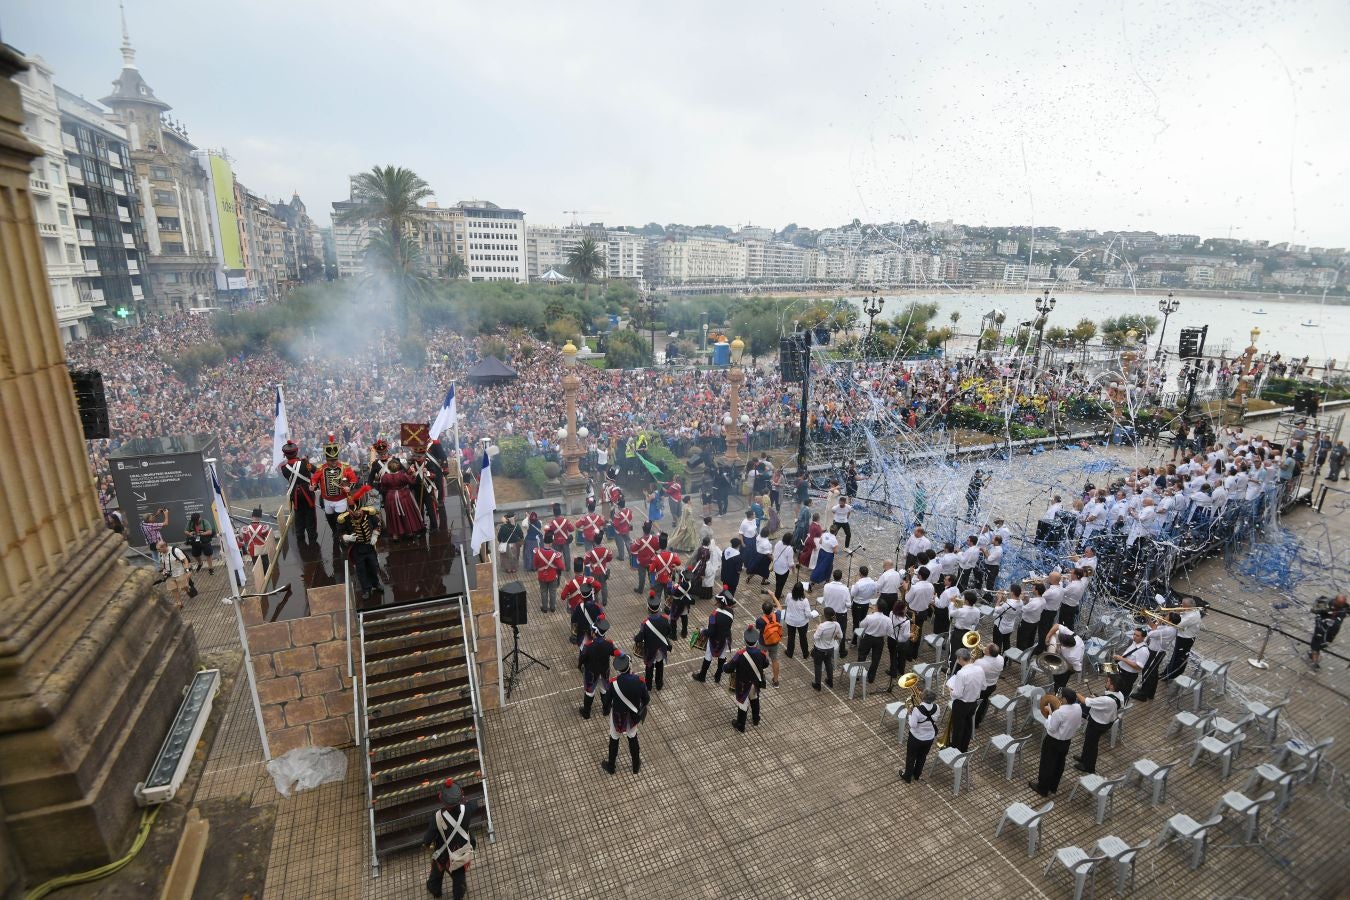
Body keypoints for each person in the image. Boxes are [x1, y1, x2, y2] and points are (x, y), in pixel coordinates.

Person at [423, 779, 477, 900]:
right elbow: (474, 803)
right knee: (459, 879)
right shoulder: (468, 809)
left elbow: (427, 840)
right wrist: (462, 797)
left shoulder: (437, 818)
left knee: (436, 874)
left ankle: (435, 891)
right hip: (460, 852)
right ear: (461, 795)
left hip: (443, 855)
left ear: (441, 799)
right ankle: (458, 896)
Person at [601, 653, 649, 774]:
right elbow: (646, 699)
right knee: (632, 737)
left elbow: (606, 701)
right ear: (629, 666)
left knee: (614, 738)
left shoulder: (613, 683)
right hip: (632, 716)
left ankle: (611, 766)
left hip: (617, 717)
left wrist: (607, 708)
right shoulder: (639, 681)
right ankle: (635, 766)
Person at [1030, 688, 1083, 797]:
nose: (1059, 698)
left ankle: (1042, 788)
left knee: (1047, 764)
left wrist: (1050, 713)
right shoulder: (1078, 708)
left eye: (1061, 696)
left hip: (1053, 741)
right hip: (1066, 741)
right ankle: (1053, 787)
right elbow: (1078, 725)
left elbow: (1051, 728)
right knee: (1059, 764)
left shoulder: (1059, 712)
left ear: (1065, 699)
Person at [1074, 676, 1124, 775]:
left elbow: (1085, 701)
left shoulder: (1106, 700)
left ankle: (1089, 767)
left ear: (1112, 687)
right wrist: (1097, 698)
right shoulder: (1120, 695)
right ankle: (1084, 758)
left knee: (1092, 745)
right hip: (1105, 721)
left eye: (1108, 681)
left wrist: (1075, 693)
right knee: (1088, 741)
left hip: (1097, 723)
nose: (1106, 682)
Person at [316, 434, 359, 539]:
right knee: (329, 517)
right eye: (331, 460)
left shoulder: (345, 467)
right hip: (327, 499)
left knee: (340, 518)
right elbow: (314, 479)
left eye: (335, 460)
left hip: (341, 498)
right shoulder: (321, 468)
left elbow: (354, 479)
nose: (333, 462)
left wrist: (349, 487)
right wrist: (313, 485)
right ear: (327, 459)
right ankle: (335, 531)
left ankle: (341, 533)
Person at [729, 627, 770, 732]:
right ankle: (756, 719)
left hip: (743, 683)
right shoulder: (761, 653)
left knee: (743, 703)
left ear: (745, 640)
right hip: (755, 683)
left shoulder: (740, 654)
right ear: (756, 641)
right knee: (755, 698)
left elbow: (728, 668)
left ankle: (741, 725)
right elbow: (766, 664)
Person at [277, 440, 318, 544]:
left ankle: (300, 537)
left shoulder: (283, 468)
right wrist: (307, 462)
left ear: (285, 454)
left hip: (294, 494)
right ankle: (312, 538)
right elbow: (316, 471)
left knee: (299, 517)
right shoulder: (304, 463)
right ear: (296, 452)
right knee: (310, 517)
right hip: (307, 493)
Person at [338, 503, 382, 600]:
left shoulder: (369, 513)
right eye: (354, 510)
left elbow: (377, 524)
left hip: (369, 546)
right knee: (361, 569)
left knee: (373, 565)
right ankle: (366, 589)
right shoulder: (344, 519)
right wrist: (347, 537)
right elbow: (340, 532)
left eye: (358, 510)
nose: (357, 513)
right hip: (357, 548)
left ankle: (376, 583)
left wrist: (375, 535)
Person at [578, 619, 620, 719]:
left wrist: (580, 666)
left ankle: (586, 713)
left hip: (591, 673)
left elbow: (582, 658)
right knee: (604, 690)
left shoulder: (588, 645)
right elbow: (616, 653)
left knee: (589, 692)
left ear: (595, 633)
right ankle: (606, 710)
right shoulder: (609, 643)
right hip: (604, 672)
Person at [944, 648, 984, 753]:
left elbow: (957, 694)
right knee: (967, 726)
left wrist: (950, 689)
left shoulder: (962, 673)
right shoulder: (979, 669)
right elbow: (984, 686)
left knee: (958, 728)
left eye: (957, 659)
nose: (957, 661)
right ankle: (964, 748)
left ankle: (955, 750)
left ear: (961, 659)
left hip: (961, 704)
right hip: (973, 703)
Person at [692, 592, 736, 684]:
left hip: (714, 640)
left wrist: (702, 631)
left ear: (719, 602)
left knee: (708, 656)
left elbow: (711, 632)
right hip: (725, 638)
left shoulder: (713, 615)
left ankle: (702, 676)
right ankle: (718, 676)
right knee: (722, 656)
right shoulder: (731, 612)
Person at [899, 689, 939, 783]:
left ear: (923, 697)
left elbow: (912, 725)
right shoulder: (937, 707)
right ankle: (917, 775)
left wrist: (910, 713)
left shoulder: (917, 710)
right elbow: (935, 719)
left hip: (916, 737)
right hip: (929, 738)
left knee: (911, 757)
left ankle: (907, 776)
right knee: (922, 757)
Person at [1133, 614, 1176, 701]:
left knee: (1147, 671)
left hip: (1155, 652)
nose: (1164, 616)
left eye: (1167, 616)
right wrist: (1147, 617)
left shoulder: (1168, 630)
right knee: (1153, 672)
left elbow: (1150, 633)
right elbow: (1153, 627)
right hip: (1156, 652)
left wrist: (1159, 622)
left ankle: (1143, 694)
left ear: (1170, 620)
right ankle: (1150, 693)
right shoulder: (1168, 627)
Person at [634, 594, 672, 690]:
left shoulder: (645, 623)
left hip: (650, 650)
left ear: (648, 608)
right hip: (661, 648)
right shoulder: (665, 619)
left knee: (649, 668)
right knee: (660, 666)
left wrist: (635, 638)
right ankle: (659, 684)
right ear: (659, 607)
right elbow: (669, 632)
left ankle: (648, 686)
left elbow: (639, 638)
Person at [1162, 598, 1202, 680]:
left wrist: (1176, 613)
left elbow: (1177, 624)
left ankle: (1171, 676)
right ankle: (1167, 672)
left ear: (1187, 606)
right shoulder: (1191, 610)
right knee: (1175, 656)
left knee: (1178, 658)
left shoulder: (1191, 616)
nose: (1181, 606)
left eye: (1182, 605)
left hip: (1185, 639)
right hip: (1184, 637)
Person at [856, 601, 892, 685]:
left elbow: (861, 625)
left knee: (862, 655)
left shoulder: (869, 617)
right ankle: (871, 677)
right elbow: (890, 632)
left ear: (877, 607)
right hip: (879, 640)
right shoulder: (888, 620)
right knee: (876, 659)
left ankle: (858, 675)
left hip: (868, 638)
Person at [1310, 595, 1348, 670]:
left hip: (1332, 630)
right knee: (1316, 643)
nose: (1340, 605)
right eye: (1339, 603)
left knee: (1324, 643)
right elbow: (1314, 610)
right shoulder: (1325, 604)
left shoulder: (1344, 607)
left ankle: (1314, 652)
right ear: (1335, 600)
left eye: (1342, 604)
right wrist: (1325, 612)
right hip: (1322, 628)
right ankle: (1315, 661)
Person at [810, 608, 844, 691]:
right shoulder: (836, 624)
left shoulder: (822, 626)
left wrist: (817, 628)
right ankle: (830, 681)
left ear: (825, 616)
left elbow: (815, 637)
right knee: (829, 664)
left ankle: (818, 684)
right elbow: (840, 636)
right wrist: (833, 638)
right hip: (830, 649)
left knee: (818, 666)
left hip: (819, 650)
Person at [1043, 623, 1083, 692]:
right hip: (1065, 659)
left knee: (1060, 684)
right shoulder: (1074, 636)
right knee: (1056, 677)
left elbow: (1077, 669)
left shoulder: (1072, 656)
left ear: (1065, 645)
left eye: (1060, 642)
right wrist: (1048, 636)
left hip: (1069, 666)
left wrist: (1065, 666)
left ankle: (1058, 693)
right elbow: (1056, 626)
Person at [972, 644, 1004, 727]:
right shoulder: (1001, 659)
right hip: (992, 685)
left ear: (988, 652)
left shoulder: (980, 662)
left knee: (974, 702)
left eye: (986, 648)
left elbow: (972, 672)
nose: (984, 647)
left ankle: (971, 721)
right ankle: (977, 721)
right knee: (983, 701)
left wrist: (974, 660)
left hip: (980, 687)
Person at [1112, 628, 1150, 697]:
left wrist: (1122, 659)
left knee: (1123, 693)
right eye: (1134, 634)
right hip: (1120, 669)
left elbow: (1139, 667)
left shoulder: (1144, 651)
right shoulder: (1135, 642)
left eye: (1137, 635)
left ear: (1143, 638)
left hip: (1127, 675)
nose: (1134, 636)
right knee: (1114, 688)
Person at [755, 599, 785, 687]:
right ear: (772, 609)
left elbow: (758, 629)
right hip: (775, 642)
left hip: (763, 643)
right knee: (775, 660)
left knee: (759, 660)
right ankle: (776, 681)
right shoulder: (777, 615)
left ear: (763, 610)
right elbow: (779, 606)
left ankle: (760, 677)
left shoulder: (760, 620)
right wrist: (773, 596)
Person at [533, 533, 564, 613]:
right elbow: (561, 567)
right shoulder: (555, 554)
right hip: (552, 576)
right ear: (551, 543)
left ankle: (544, 608)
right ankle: (552, 607)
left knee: (543, 592)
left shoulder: (538, 552)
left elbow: (535, 564)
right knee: (553, 592)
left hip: (542, 576)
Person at [781, 582, 812, 659]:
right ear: (802, 591)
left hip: (791, 621)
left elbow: (786, 603)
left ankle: (789, 653)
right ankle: (805, 653)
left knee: (791, 637)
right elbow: (808, 614)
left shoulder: (789, 596)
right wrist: (812, 615)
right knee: (803, 638)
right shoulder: (805, 601)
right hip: (802, 622)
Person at [849, 566, 878, 647]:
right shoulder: (873, 582)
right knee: (863, 621)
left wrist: (853, 585)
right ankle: (861, 637)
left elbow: (852, 593)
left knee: (856, 623)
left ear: (860, 573)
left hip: (857, 604)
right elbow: (874, 592)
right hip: (866, 604)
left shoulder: (858, 584)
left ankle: (854, 641)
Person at [648, 533, 681, 602]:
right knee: (668, 596)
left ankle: (656, 605)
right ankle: (667, 607)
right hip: (669, 579)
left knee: (657, 595)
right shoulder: (673, 555)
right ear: (666, 544)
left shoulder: (656, 558)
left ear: (659, 545)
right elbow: (679, 563)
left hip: (659, 579)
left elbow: (651, 570)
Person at [157, 539, 190, 609]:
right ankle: (179, 603)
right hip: (169, 574)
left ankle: (187, 589)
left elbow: (185, 560)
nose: (158, 551)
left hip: (179, 572)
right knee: (173, 589)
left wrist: (187, 570)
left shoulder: (176, 551)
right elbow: (162, 562)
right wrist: (163, 570)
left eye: (159, 549)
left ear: (164, 547)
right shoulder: (160, 553)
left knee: (183, 587)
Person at [239, 507, 271, 576]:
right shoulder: (263, 528)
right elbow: (269, 539)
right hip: (263, 551)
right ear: (260, 517)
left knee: (258, 571)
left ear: (252, 516)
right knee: (267, 571)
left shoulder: (246, 529)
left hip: (253, 552)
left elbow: (244, 541)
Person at [584, 534, 614, 606]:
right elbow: (609, 559)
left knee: (594, 587)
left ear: (594, 541)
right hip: (603, 571)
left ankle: (596, 601)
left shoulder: (591, 552)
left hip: (593, 572)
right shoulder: (606, 551)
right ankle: (604, 601)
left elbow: (586, 562)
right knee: (604, 586)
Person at [992, 587, 1021, 653]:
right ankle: (1005, 657)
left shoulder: (1007, 604)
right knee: (1006, 642)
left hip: (1000, 627)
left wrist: (999, 599)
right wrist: (1005, 599)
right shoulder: (1021, 602)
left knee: (997, 644)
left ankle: (997, 656)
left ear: (1012, 593)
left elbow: (997, 610)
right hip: (1010, 626)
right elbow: (1010, 604)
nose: (1008, 592)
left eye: (1010, 591)